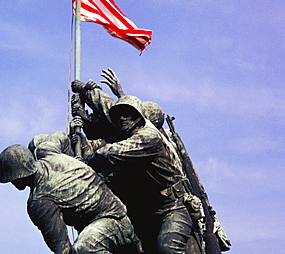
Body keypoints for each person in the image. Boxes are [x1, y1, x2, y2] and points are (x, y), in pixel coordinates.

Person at [70, 95, 197, 254]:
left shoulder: (149, 137)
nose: (122, 118)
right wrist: (80, 142)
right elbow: (110, 172)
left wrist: (88, 161)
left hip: (173, 208)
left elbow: (111, 153)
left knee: (168, 248)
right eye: (118, 116)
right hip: (147, 212)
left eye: (127, 114)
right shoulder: (128, 142)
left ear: (138, 116)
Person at [0, 137, 142, 254]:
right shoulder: (47, 151)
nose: (13, 183)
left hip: (114, 223)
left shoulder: (39, 202)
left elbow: (62, 249)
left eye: (12, 180)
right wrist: (74, 160)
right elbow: (61, 138)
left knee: (82, 250)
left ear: (18, 177)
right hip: (118, 215)